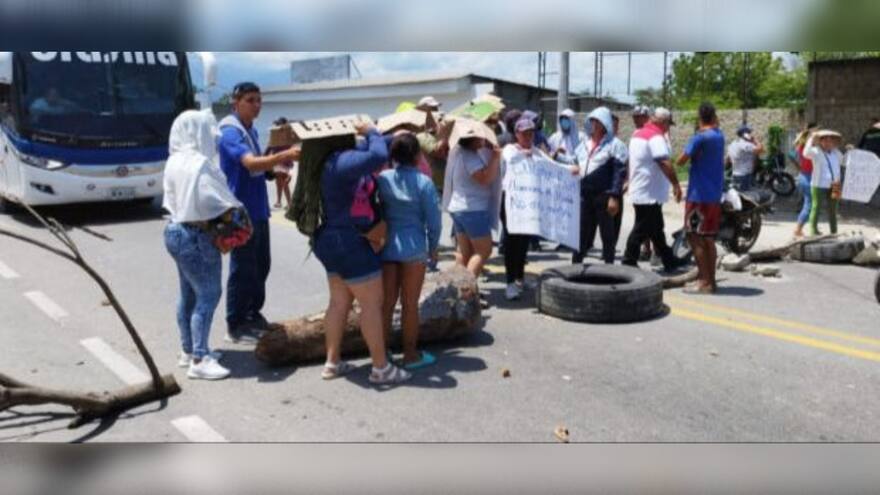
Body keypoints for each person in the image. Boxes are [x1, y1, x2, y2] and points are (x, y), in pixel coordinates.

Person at [312, 121, 412, 384]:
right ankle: (381, 368)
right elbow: (378, 154)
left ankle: (332, 362)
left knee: (338, 302)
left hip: (332, 240)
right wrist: (370, 130)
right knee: (371, 304)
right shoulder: (342, 162)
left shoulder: (333, 159)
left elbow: (379, 147)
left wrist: (396, 135)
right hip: (350, 241)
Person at [162, 110, 244, 380]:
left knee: (188, 294)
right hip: (197, 234)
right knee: (208, 294)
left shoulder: (174, 160)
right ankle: (200, 357)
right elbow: (213, 200)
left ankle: (188, 350)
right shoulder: (199, 164)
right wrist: (236, 209)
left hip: (174, 231)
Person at [217, 82, 300, 344]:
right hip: (240, 212)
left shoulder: (249, 130)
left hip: (258, 209)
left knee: (261, 265)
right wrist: (285, 155)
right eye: (250, 100)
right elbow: (249, 162)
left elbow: (255, 169)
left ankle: (253, 313)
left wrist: (272, 171)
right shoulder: (230, 131)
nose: (257, 105)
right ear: (236, 103)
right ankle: (236, 322)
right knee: (242, 268)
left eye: (259, 100)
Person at [378, 132, 442, 370]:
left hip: (386, 249)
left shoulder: (383, 178)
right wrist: (433, 247)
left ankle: (382, 353)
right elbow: (433, 221)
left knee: (385, 305)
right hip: (414, 250)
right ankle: (410, 354)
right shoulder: (424, 183)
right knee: (409, 305)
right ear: (417, 155)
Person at [501, 117, 579, 300]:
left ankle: (520, 278)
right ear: (516, 134)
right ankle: (510, 283)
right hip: (511, 203)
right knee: (511, 244)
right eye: (524, 133)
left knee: (523, 243)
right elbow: (510, 160)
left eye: (531, 133)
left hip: (529, 203)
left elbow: (552, 165)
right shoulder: (510, 149)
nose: (528, 136)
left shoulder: (536, 151)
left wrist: (570, 170)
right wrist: (523, 154)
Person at [621, 107, 684, 272]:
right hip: (649, 192)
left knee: (656, 229)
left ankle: (669, 260)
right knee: (641, 228)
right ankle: (628, 261)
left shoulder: (637, 134)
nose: (668, 128)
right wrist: (676, 185)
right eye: (668, 125)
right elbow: (664, 162)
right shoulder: (656, 137)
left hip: (642, 189)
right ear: (663, 122)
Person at [676, 102, 726, 294]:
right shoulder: (719, 136)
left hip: (698, 195)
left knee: (695, 237)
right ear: (713, 116)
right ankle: (711, 281)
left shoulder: (699, 138)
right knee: (709, 239)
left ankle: (704, 282)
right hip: (713, 195)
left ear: (700, 117)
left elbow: (681, 160)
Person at [442, 132, 502, 281]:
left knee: (464, 252)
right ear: (471, 140)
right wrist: (495, 158)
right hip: (472, 209)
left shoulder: (458, 151)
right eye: (479, 137)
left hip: (459, 208)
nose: (482, 139)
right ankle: (465, 292)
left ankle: (459, 290)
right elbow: (485, 178)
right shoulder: (470, 156)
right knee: (483, 251)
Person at [571, 107, 626, 265]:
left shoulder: (615, 145)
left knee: (607, 235)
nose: (594, 124)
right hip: (584, 195)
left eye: (598, 121)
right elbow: (573, 162)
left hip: (604, 196)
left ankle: (609, 268)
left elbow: (618, 172)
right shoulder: (584, 144)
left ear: (605, 124)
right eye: (593, 120)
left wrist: (614, 196)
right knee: (581, 233)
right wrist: (553, 156)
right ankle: (576, 267)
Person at [803, 129, 843, 236]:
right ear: (820, 142)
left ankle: (834, 231)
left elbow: (844, 161)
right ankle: (813, 231)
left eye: (830, 141)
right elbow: (805, 153)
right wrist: (811, 138)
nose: (828, 143)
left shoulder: (836, 153)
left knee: (833, 209)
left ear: (833, 143)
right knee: (816, 207)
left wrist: (850, 151)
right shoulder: (816, 151)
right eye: (825, 140)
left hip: (835, 185)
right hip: (818, 185)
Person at [792, 123, 818, 237]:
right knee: (810, 204)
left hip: (803, 176)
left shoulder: (800, 147)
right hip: (808, 177)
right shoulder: (809, 150)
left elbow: (792, 155)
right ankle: (798, 229)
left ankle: (812, 228)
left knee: (810, 204)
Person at [266, 117, 296, 210]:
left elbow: (269, 148)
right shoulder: (276, 136)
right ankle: (279, 201)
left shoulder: (287, 135)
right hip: (278, 161)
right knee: (279, 182)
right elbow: (269, 148)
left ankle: (289, 203)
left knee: (283, 182)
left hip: (284, 161)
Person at [726, 125, 764, 191]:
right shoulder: (745, 144)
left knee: (739, 195)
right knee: (745, 196)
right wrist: (755, 140)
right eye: (749, 133)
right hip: (744, 176)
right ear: (745, 134)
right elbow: (761, 149)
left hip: (735, 174)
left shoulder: (733, 144)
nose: (751, 134)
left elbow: (728, 160)